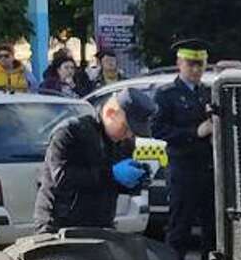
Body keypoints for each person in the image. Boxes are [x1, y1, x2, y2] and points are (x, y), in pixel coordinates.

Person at [34, 86, 155, 230]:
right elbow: (63, 177)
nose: (129, 135)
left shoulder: (123, 142)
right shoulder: (71, 132)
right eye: (126, 128)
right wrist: (112, 174)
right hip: (60, 224)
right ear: (111, 113)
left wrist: (135, 181)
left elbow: (109, 185)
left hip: (99, 223)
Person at [156, 39, 217, 260]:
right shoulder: (167, 95)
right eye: (191, 64)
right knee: (179, 228)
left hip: (207, 169)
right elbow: (159, 130)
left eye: (200, 65)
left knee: (212, 230)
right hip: (183, 169)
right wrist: (195, 132)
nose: (196, 70)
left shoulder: (208, 92)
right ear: (179, 63)